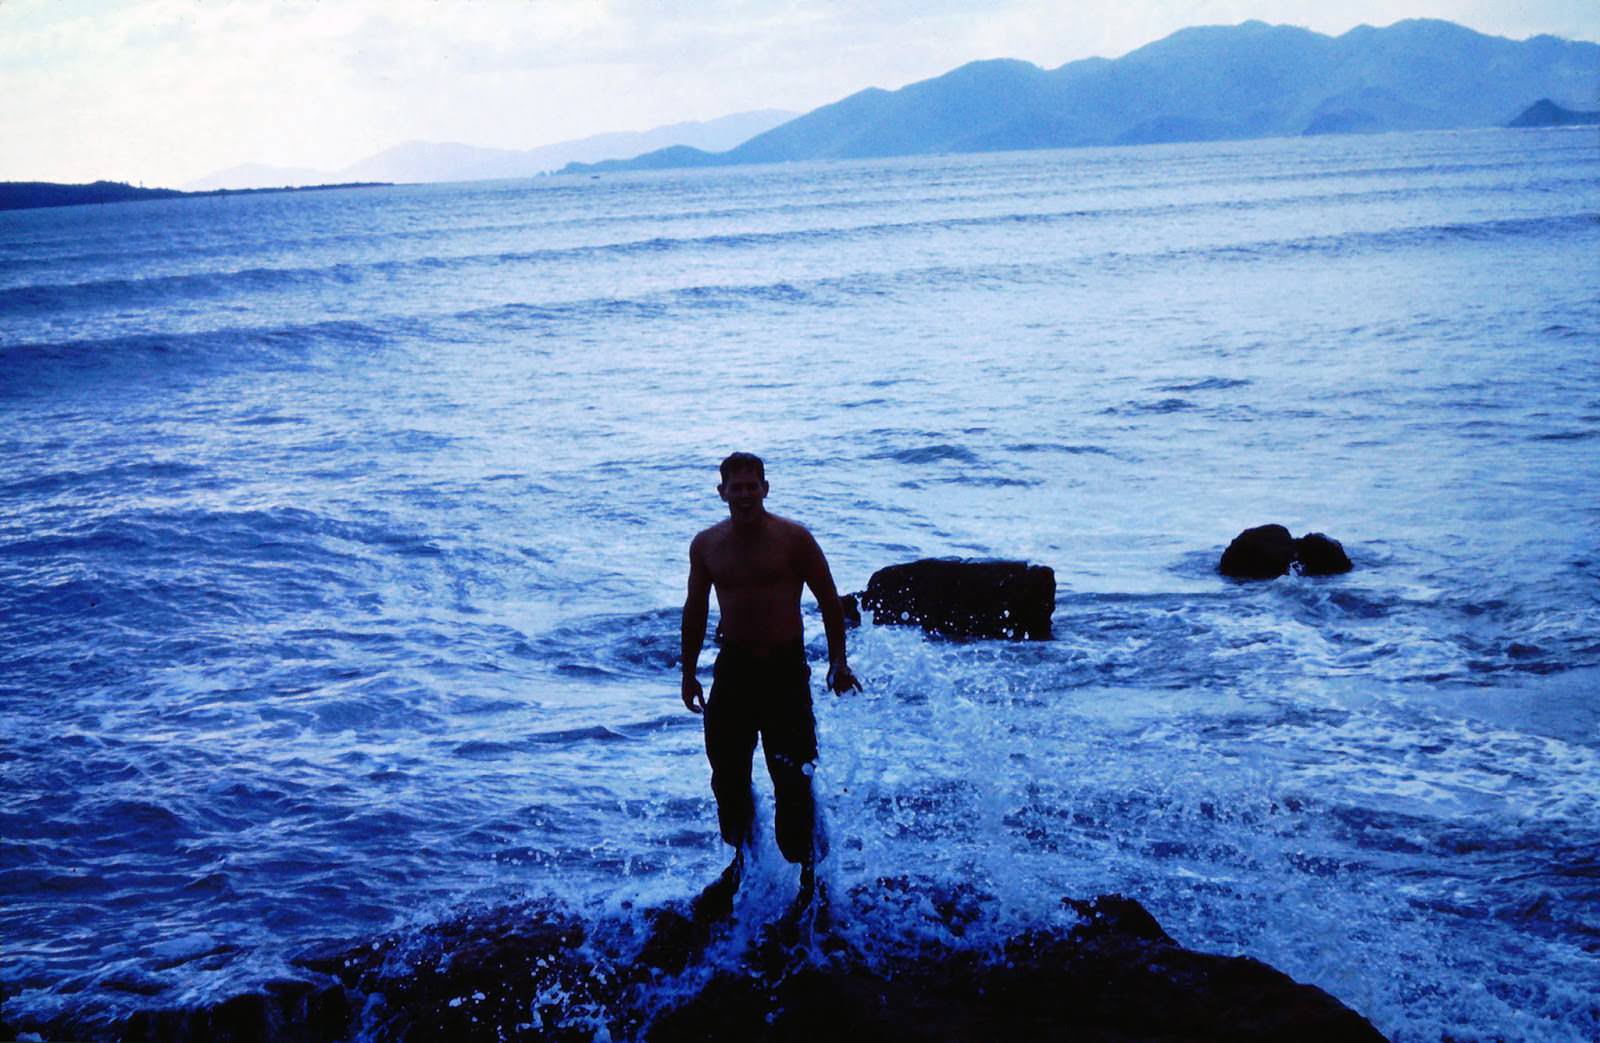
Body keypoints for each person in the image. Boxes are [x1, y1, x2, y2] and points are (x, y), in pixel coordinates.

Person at [681, 451, 860, 914]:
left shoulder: (794, 539)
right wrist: (687, 671)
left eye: (751, 485)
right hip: (733, 672)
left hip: (784, 673)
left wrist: (838, 662)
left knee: (793, 779)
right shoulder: (706, 546)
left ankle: (808, 877)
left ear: (766, 487)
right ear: (721, 492)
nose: (743, 494)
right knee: (728, 777)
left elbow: (829, 600)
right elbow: (695, 610)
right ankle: (741, 862)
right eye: (734, 487)